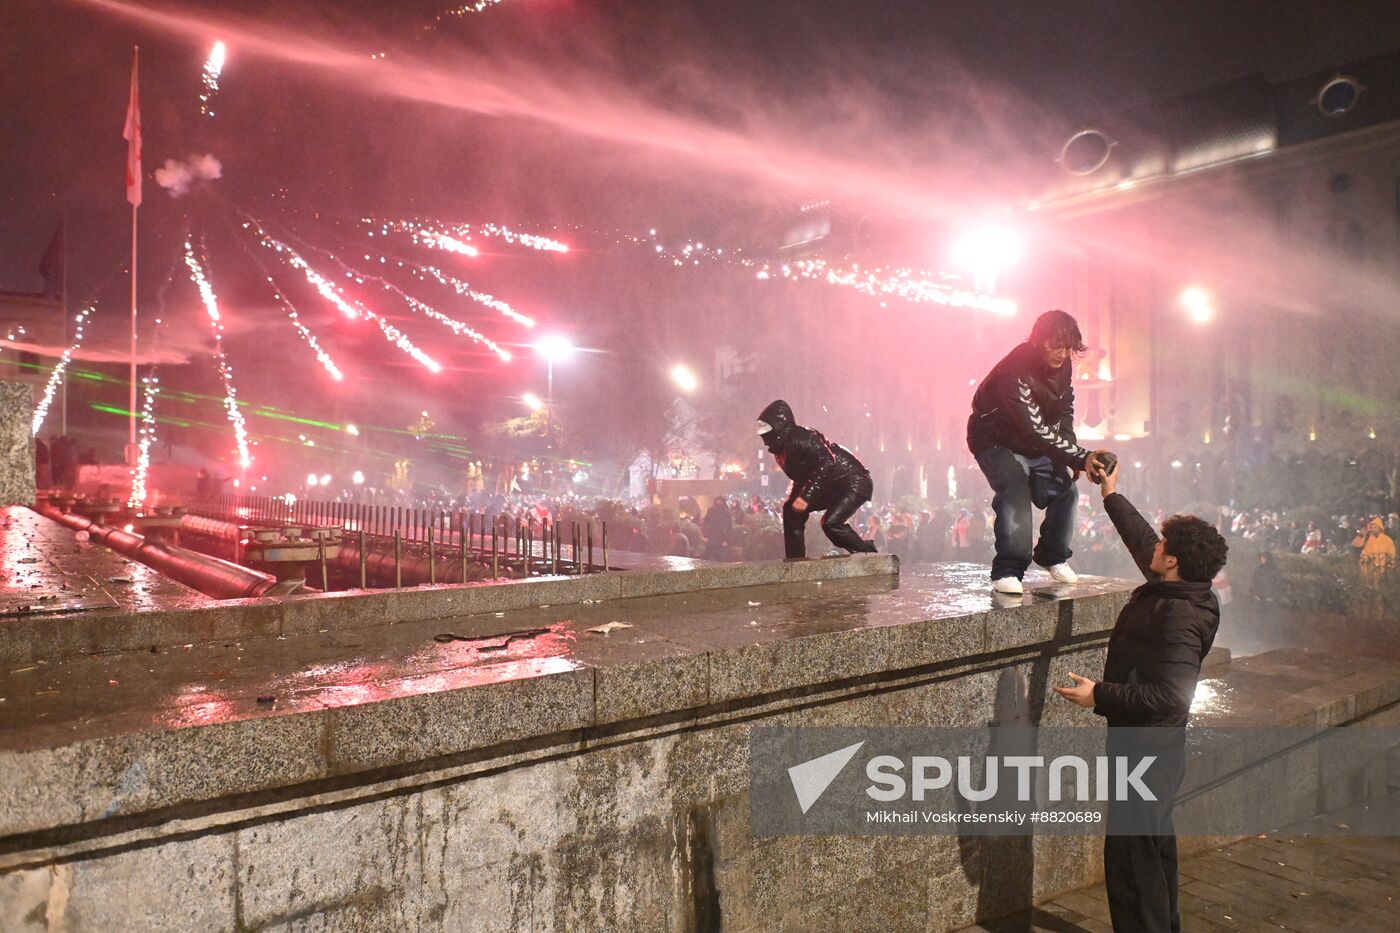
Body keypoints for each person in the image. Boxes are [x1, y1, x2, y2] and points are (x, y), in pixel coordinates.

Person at [1053, 459, 1228, 933]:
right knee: (1151, 849)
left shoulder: (1177, 614)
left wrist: (1100, 695)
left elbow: (1172, 695)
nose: (1158, 546)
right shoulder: (1186, 588)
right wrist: (1111, 493)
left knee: (1132, 862)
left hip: (1145, 749)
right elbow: (1142, 539)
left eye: (1165, 546)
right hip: (1153, 748)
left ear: (1172, 562)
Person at [968, 309, 1112, 594]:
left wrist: (1070, 453)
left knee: (1066, 490)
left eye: (1068, 347)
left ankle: (1052, 555)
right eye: (1055, 345)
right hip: (994, 440)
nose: (1061, 353)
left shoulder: (1064, 364)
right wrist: (1080, 456)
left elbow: (1064, 408)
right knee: (1014, 487)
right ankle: (1008, 569)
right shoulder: (1014, 371)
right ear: (1037, 340)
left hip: (1033, 440)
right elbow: (1032, 427)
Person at [756, 400, 876, 559]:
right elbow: (801, 477)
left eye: (767, 430)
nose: (763, 436)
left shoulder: (803, 437)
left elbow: (826, 462)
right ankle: (796, 561)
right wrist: (795, 499)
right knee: (791, 511)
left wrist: (806, 497)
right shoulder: (782, 451)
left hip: (853, 481)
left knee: (831, 523)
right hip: (831, 485)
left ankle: (866, 554)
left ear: (778, 425)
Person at [1352, 516, 1396, 586]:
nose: (1373, 529)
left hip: (1384, 571)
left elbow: (1391, 555)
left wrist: (1390, 570)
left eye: (1375, 527)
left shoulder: (1387, 540)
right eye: (1372, 527)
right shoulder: (1368, 540)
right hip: (1371, 571)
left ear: (1380, 528)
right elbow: (1357, 546)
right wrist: (1361, 535)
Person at [702, 496, 734, 561]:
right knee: (712, 557)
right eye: (718, 501)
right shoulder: (711, 510)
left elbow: (729, 526)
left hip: (722, 538)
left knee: (721, 558)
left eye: (720, 501)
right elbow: (706, 523)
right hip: (712, 538)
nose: (719, 502)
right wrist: (706, 535)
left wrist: (727, 539)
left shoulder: (726, 512)